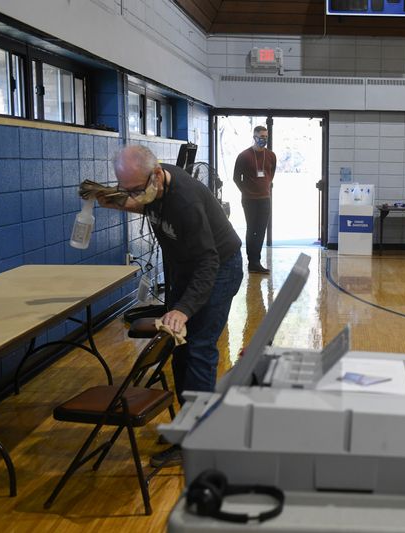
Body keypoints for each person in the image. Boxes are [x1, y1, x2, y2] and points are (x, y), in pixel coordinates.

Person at [97, 145, 243, 467]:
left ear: (157, 176)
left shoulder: (185, 201)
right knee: (178, 346)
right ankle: (188, 426)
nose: (133, 196)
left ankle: (199, 439)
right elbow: (142, 203)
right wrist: (116, 200)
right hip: (187, 271)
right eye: (127, 190)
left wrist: (183, 309)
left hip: (219, 270)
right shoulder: (151, 187)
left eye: (136, 190)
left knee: (199, 349)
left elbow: (209, 261)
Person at [234, 125, 277, 274]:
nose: (263, 140)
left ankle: (256, 261)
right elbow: (236, 178)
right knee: (251, 229)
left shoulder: (271, 155)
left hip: (265, 199)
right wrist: (246, 191)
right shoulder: (244, 156)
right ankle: (251, 261)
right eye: (261, 137)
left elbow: (271, 174)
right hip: (249, 199)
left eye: (265, 137)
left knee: (260, 230)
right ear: (254, 137)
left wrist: (265, 186)